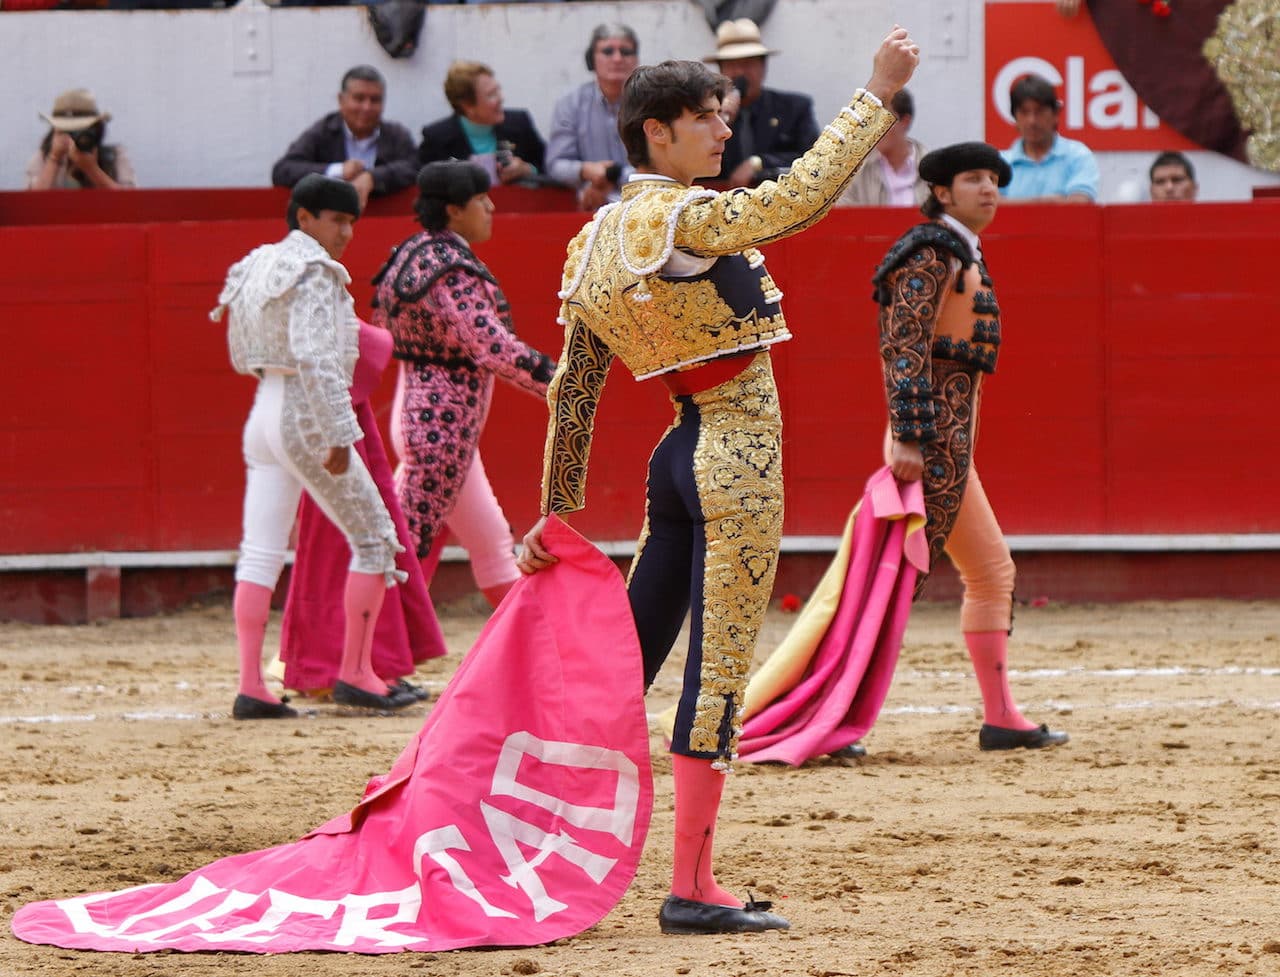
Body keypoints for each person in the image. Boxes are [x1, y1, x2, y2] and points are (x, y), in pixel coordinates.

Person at [518, 31, 918, 934]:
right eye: (703, 119)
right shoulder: (680, 220)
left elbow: (575, 387)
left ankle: (535, 833)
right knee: (716, 671)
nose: (719, 130)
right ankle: (693, 884)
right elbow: (793, 203)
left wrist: (555, 508)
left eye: (721, 115)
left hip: (676, 452)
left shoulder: (594, 243)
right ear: (655, 134)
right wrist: (877, 95)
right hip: (733, 455)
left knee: (626, 657)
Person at [871, 141, 1069, 750]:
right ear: (941, 191)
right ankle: (834, 716)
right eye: (974, 178)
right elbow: (902, 343)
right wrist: (908, 434)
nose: (989, 188)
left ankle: (1002, 717)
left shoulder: (958, 251)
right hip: (928, 442)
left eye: (994, 179)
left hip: (948, 445)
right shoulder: (932, 252)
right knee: (895, 588)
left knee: (988, 571)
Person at [211, 174, 415, 719]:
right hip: (304, 415)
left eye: (352, 221)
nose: (346, 232)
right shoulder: (318, 272)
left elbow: (241, 346)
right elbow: (317, 357)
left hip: (262, 410)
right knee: (375, 539)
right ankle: (356, 672)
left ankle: (252, 684)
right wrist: (338, 435)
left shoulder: (257, 263)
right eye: (336, 219)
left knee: (260, 549)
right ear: (304, 217)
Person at [374, 160, 556, 608]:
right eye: (481, 200)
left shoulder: (412, 252)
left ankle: (523, 647)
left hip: (421, 410)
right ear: (455, 210)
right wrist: (558, 380)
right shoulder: (451, 268)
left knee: (489, 540)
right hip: (441, 423)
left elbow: (382, 324)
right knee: (403, 544)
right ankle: (370, 660)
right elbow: (490, 345)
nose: (490, 207)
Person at [277, 316, 448, 702]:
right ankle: (343, 668)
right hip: (326, 410)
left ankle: (343, 665)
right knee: (365, 539)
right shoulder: (314, 271)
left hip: (314, 407)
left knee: (343, 540)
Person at [271, 65, 418, 208]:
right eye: (359, 99)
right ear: (341, 100)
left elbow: (415, 167)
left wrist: (373, 177)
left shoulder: (396, 135)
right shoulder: (324, 132)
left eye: (375, 100)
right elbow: (283, 171)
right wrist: (338, 171)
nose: (367, 107)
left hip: (384, 220)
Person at [703, 18, 819, 188]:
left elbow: (814, 157)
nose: (740, 72)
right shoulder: (707, 113)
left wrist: (759, 162)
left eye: (748, 64)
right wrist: (721, 120)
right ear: (721, 71)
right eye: (732, 65)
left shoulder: (794, 108)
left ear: (763, 67)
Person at [545, 22, 640, 210]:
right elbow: (555, 164)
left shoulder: (652, 103)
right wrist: (586, 171)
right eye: (607, 51)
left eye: (626, 52)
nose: (617, 58)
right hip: (587, 209)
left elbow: (664, 167)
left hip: (643, 204)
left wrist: (612, 178)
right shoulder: (570, 103)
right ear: (591, 60)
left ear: (636, 59)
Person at [418, 61, 546, 185]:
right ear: (468, 105)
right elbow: (424, 185)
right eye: (491, 95)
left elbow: (548, 166)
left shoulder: (519, 123)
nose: (501, 98)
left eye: (498, 90)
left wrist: (528, 169)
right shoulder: (437, 138)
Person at [1000, 74, 1098, 203]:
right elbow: (988, 209)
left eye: (1039, 111)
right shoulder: (1000, 163)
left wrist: (1011, 204)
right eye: (1024, 112)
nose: (1032, 121)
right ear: (1015, 118)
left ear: (1055, 114)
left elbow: (1079, 204)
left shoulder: (1078, 155)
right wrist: (1055, 201)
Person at [26, 89, 135, 190]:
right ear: (55, 131)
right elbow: (31, 203)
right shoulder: (43, 157)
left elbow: (129, 202)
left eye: (81, 130)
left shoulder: (115, 156)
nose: (74, 137)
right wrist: (54, 159)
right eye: (67, 130)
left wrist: (91, 169)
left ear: (95, 129)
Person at [838, 88, 928, 207]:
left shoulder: (934, 171)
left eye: (881, 121)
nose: (873, 130)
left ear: (905, 121)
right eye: (868, 122)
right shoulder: (854, 172)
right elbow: (845, 218)